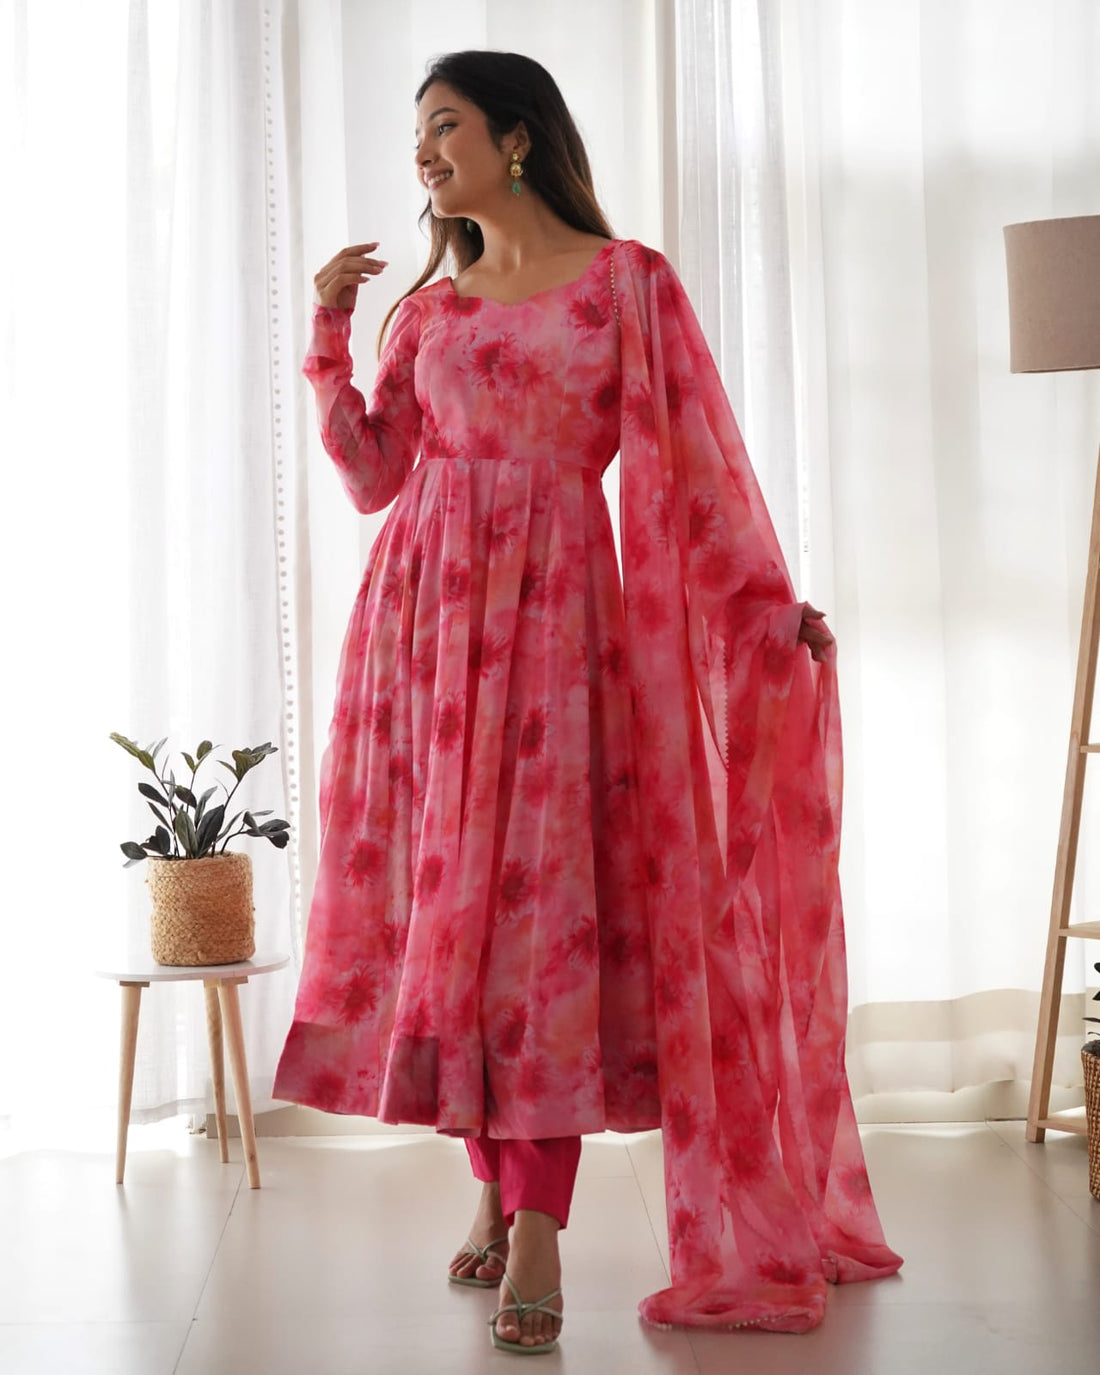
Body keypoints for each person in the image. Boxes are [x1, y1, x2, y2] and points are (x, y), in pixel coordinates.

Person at [273, 49, 902, 1356]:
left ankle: (539, 1227)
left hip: (559, 637)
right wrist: (329, 336)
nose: (422, 152)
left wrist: (762, 610)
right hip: (421, 643)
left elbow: (699, 462)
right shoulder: (429, 316)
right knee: (453, 930)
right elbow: (376, 477)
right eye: (417, 132)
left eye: (445, 125)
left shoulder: (626, 286)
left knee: (539, 933)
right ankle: (497, 1193)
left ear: (517, 138)